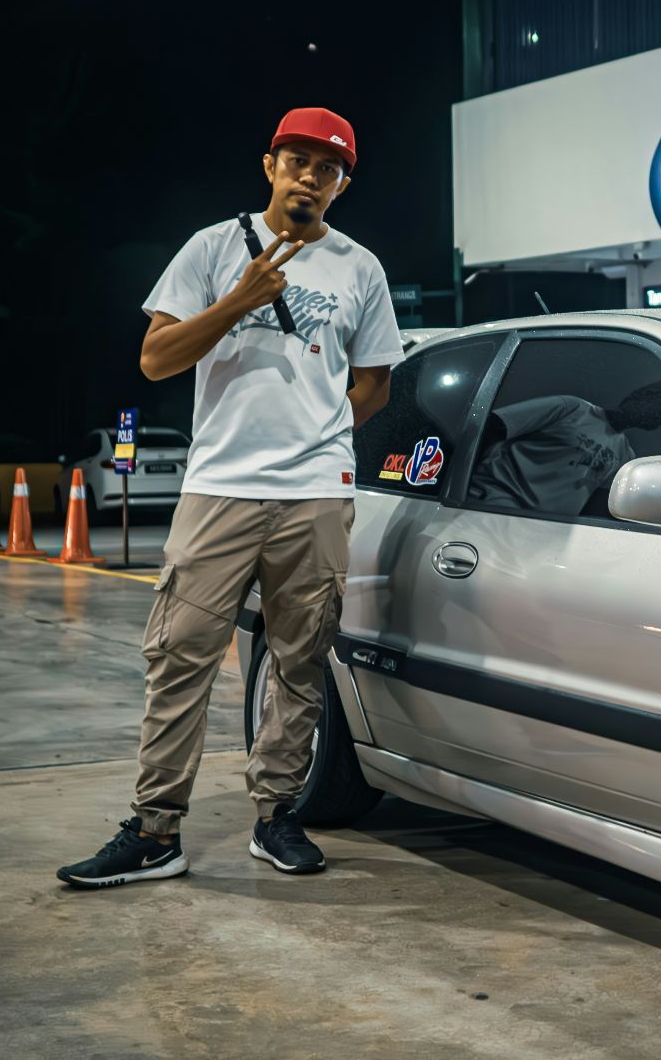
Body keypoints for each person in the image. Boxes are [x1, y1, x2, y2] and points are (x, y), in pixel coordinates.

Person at [57, 107, 404, 888]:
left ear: (342, 185)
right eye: (298, 160)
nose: (311, 176)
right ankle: (155, 830)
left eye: (328, 168)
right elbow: (155, 359)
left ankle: (277, 815)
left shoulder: (360, 268)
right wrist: (238, 302)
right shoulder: (213, 248)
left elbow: (376, 382)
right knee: (179, 654)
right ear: (269, 166)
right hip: (220, 488)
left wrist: (322, 435)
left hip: (315, 495)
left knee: (299, 660)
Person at [467, 381, 661, 516]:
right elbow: (494, 425)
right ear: (643, 395)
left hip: (540, 531)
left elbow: (600, 508)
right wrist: (466, 481)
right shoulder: (573, 408)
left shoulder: (625, 454)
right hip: (495, 506)